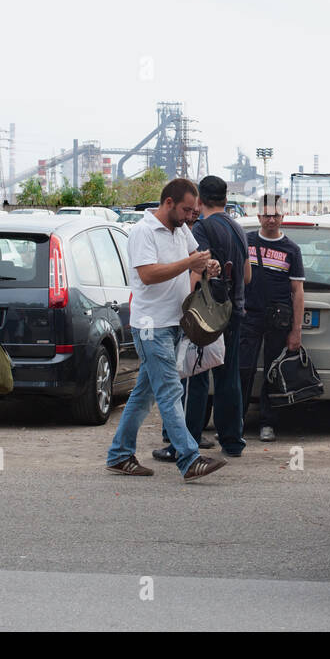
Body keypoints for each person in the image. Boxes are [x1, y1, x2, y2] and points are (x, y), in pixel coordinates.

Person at [104, 178, 227, 480]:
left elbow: (197, 260)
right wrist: (189, 263)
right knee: (171, 390)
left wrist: (207, 266)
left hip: (173, 323)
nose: (190, 216)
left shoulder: (180, 229)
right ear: (168, 203)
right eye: (186, 209)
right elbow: (147, 275)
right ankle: (189, 458)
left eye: (192, 210)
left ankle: (120, 454)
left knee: (144, 394)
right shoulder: (143, 232)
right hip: (150, 326)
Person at [154, 175, 251, 462]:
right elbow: (247, 275)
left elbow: (197, 271)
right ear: (224, 198)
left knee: (194, 376)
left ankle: (186, 441)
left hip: (207, 314)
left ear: (200, 200)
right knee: (228, 377)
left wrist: (188, 308)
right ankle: (233, 441)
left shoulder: (204, 228)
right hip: (234, 312)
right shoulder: (238, 227)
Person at [238, 194, 305, 444]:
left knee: (272, 373)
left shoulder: (292, 250)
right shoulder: (245, 242)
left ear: (282, 216)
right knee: (242, 370)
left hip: (279, 320)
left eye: (275, 214)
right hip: (248, 318)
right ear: (258, 216)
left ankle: (268, 422)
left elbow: (297, 292)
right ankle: (238, 420)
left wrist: (296, 330)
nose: (271, 219)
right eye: (266, 214)